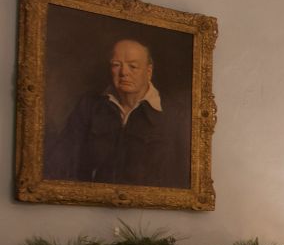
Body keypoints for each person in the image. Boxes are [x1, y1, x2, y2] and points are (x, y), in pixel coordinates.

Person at [47, 38, 191, 188]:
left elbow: (182, 177)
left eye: (133, 66)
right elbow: (61, 160)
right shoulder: (89, 106)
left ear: (148, 72)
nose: (124, 73)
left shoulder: (174, 114)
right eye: (116, 65)